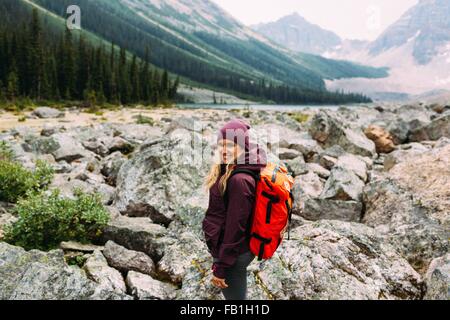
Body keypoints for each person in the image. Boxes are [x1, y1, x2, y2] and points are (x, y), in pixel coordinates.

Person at [202, 119, 267, 300]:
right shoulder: (228, 168)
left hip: (235, 253)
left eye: (230, 145)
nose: (224, 150)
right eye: (221, 145)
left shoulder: (240, 180)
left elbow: (235, 228)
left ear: (243, 147)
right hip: (230, 249)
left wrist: (222, 266)